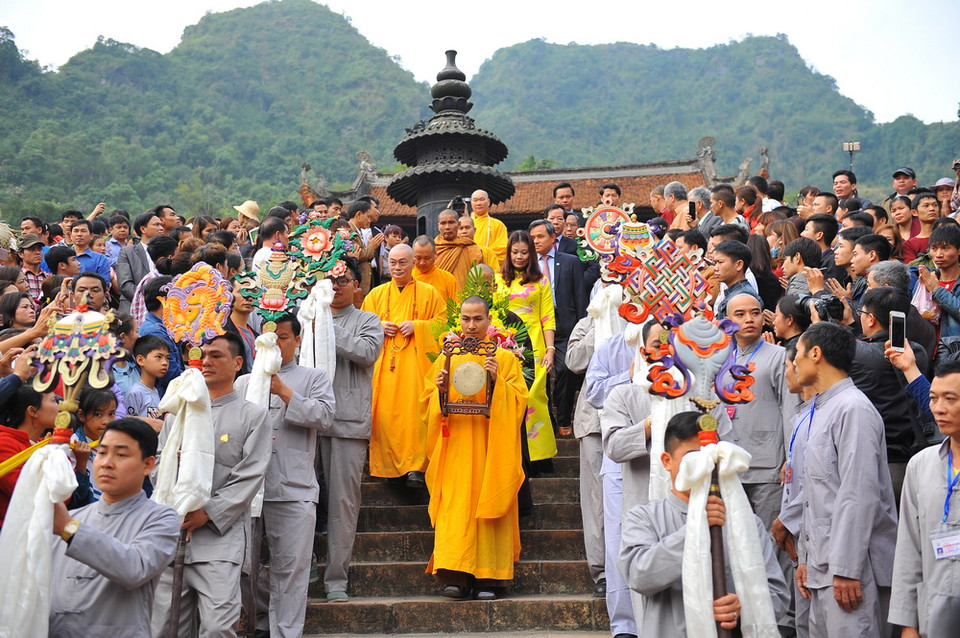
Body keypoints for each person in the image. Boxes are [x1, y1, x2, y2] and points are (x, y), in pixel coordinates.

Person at [619, 412, 789, 638]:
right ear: (667, 462)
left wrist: (743, 607)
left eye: (708, 457)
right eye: (691, 457)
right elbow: (639, 576)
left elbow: (778, 594)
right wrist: (695, 529)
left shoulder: (745, 522)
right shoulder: (644, 518)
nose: (701, 465)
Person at [150, 333, 271, 637]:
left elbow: (250, 476)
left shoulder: (253, 416)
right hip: (173, 534)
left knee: (218, 628)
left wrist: (207, 512)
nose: (206, 361)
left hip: (219, 539)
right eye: (204, 355)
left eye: (216, 355)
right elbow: (156, 467)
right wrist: (174, 471)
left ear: (237, 363)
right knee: (164, 628)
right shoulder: (178, 414)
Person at [792, 322, 898, 637]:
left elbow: (858, 494)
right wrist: (806, 558)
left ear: (815, 353)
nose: (794, 360)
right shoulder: (820, 409)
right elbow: (816, 493)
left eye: (798, 352)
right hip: (821, 568)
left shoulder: (853, 409)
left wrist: (848, 569)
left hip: (850, 571)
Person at [235, 314, 335, 636]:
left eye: (283, 337)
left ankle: (285, 632)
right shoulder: (244, 383)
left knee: (291, 571)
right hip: (247, 491)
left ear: (297, 341)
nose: (276, 344)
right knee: (242, 568)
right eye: (269, 338)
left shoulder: (313, 377)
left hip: (294, 488)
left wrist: (283, 391)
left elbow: (324, 417)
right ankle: (262, 619)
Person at [422, 296, 527, 600]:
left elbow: (518, 405)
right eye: (466, 319)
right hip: (454, 448)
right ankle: (455, 574)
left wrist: (497, 382)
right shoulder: (446, 358)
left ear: (489, 320)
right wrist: (439, 392)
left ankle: (489, 579)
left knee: (489, 505)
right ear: (459, 321)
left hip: (489, 450)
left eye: (477, 319)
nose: (471, 326)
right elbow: (426, 407)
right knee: (455, 509)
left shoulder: (504, 360)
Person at [48, 418, 179, 636]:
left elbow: (135, 568)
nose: (107, 463)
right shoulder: (73, 517)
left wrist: (69, 530)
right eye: (101, 452)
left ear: (147, 464)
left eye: (121, 455)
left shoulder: (161, 518)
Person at [320, 262, 383, 602]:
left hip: (346, 422)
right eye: (329, 280)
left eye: (342, 280)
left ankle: (336, 579)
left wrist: (325, 327)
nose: (336, 286)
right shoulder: (306, 317)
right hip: (302, 420)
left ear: (356, 286)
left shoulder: (367, 320)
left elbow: (367, 352)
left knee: (342, 503)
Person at [361, 244, 445, 486]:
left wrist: (418, 326)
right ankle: (387, 466)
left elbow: (443, 325)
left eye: (402, 262)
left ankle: (415, 467)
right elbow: (363, 327)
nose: (397, 267)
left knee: (414, 415)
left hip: (416, 367)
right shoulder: (375, 295)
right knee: (386, 416)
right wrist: (379, 327)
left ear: (413, 264)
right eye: (393, 262)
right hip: (385, 366)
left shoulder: (429, 292)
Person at [888, 358, 960, 636]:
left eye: (950, 399)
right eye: (933, 398)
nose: (938, 408)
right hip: (934, 613)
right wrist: (908, 625)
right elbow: (909, 548)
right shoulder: (921, 465)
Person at [496, 231, 557, 462]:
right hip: (506, 345)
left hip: (535, 345)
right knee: (508, 397)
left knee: (534, 397)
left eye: (524, 252)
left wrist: (550, 350)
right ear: (508, 253)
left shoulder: (541, 281)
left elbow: (547, 318)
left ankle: (538, 456)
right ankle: (511, 454)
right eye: (514, 252)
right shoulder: (498, 280)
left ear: (531, 254)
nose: (519, 257)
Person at [528, 219, 587, 438]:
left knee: (565, 368)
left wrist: (582, 326)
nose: (536, 241)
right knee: (538, 373)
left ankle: (564, 418)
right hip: (536, 324)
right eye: (532, 237)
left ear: (553, 238)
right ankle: (548, 422)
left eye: (540, 236)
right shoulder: (526, 264)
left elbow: (580, 295)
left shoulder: (570, 262)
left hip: (565, 321)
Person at [116, 211, 165, 313]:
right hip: (133, 308)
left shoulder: (167, 252)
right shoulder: (128, 252)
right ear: (143, 229)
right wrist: (147, 300)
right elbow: (125, 285)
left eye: (161, 225)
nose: (161, 228)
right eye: (156, 225)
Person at [125, 335, 169, 432]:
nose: (165, 362)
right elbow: (127, 426)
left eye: (167, 358)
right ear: (141, 360)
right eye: (159, 357)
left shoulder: (156, 390)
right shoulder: (135, 393)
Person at [434, 209, 484, 287]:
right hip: (437, 296)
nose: (447, 227)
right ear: (438, 226)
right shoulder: (432, 249)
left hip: (465, 297)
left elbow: (480, 279)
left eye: (451, 222)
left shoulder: (471, 249)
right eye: (443, 223)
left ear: (459, 224)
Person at [711, 240, 758, 319]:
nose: (715, 268)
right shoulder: (733, 292)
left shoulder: (743, 297)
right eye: (715, 263)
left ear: (739, 265)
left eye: (720, 262)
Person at [412, 235, 459, 299]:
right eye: (418, 258)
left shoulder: (448, 279)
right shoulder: (407, 277)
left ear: (435, 254)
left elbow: (455, 307)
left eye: (427, 258)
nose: (422, 263)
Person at [470, 189, 508, 263]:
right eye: (475, 200)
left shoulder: (498, 225)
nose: (478, 203)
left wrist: (478, 255)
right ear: (471, 203)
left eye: (482, 199)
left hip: (490, 268)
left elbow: (502, 250)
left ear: (488, 202)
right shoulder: (465, 226)